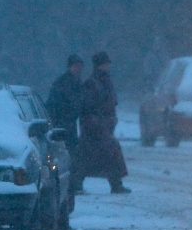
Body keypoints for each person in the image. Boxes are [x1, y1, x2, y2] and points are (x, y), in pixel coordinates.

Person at [78, 51, 130, 194]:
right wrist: (98, 122)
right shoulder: (92, 83)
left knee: (94, 157)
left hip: (103, 126)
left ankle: (115, 184)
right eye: (106, 64)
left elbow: (110, 103)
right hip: (94, 128)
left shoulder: (105, 81)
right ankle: (115, 184)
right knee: (98, 155)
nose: (108, 66)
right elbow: (88, 107)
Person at [46, 54, 84, 153]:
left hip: (71, 124)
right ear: (70, 67)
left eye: (80, 67)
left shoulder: (78, 83)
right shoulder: (61, 83)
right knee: (63, 152)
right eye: (76, 66)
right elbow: (53, 105)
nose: (78, 69)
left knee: (72, 151)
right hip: (60, 124)